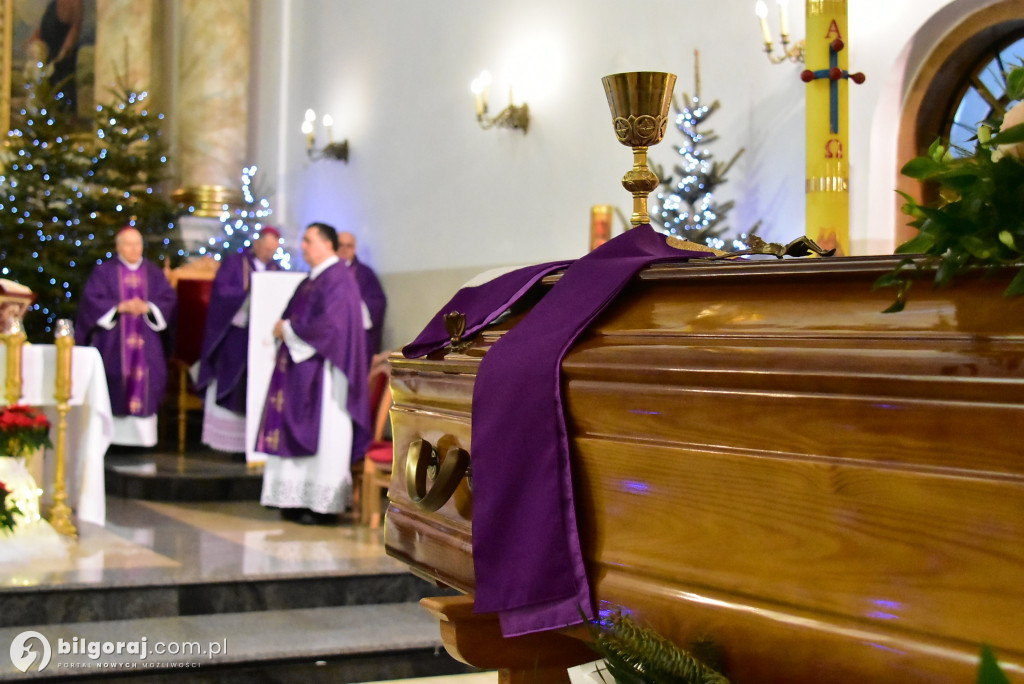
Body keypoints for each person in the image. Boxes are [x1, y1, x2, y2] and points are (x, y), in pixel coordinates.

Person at [254, 222, 370, 524]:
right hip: (302, 368)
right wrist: (285, 326)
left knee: (326, 435)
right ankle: (295, 500)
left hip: (325, 376)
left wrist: (288, 328)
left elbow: (331, 327)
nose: (302, 246)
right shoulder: (314, 279)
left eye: (308, 241)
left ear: (327, 245)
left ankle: (321, 505)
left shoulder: (339, 279)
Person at [76, 226, 177, 447]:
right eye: (128, 244)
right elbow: (91, 301)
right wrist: (118, 307)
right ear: (118, 247)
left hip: (146, 339)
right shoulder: (105, 271)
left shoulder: (153, 273)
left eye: (138, 244)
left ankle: (143, 441)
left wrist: (148, 307)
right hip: (113, 339)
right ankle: (112, 439)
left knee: (149, 376)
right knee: (114, 374)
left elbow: (168, 299)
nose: (134, 249)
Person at [194, 228, 282, 453]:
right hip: (235, 334)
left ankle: (251, 441)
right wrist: (247, 293)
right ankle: (224, 442)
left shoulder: (278, 270)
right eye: (266, 249)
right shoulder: (235, 264)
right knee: (231, 373)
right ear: (256, 244)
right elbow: (221, 295)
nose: (269, 254)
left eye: (273, 250)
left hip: (262, 340)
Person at [337, 231, 387, 370]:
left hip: (356, 339)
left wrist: (355, 306)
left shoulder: (366, 274)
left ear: (354, 249)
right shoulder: (325, 273)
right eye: (340, 245)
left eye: (349, 246)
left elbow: (378, 303)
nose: (344, 249)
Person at [30, 0, 83, 112]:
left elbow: (75, 28)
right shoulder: (52, 5)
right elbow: (42, 27)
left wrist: (63, 52)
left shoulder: (75, 3)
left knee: (63, 90)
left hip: (62, 59)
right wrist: (32, 42)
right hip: (47, 55)